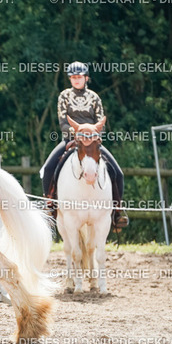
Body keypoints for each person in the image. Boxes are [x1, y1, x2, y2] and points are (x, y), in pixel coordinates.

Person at [41, 61, 129, 231]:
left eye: (79, 77)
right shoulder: (64, 96)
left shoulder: (94, 97)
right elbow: (63, 123)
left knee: (118, 173)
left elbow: (100, 123)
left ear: (86, 78)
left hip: (92, 142)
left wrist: (91, 136)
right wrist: (78, 135)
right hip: (71, 139)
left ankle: (118, 212)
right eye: (73, 77)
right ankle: (50, 205)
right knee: (48, 168)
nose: (76, 80)